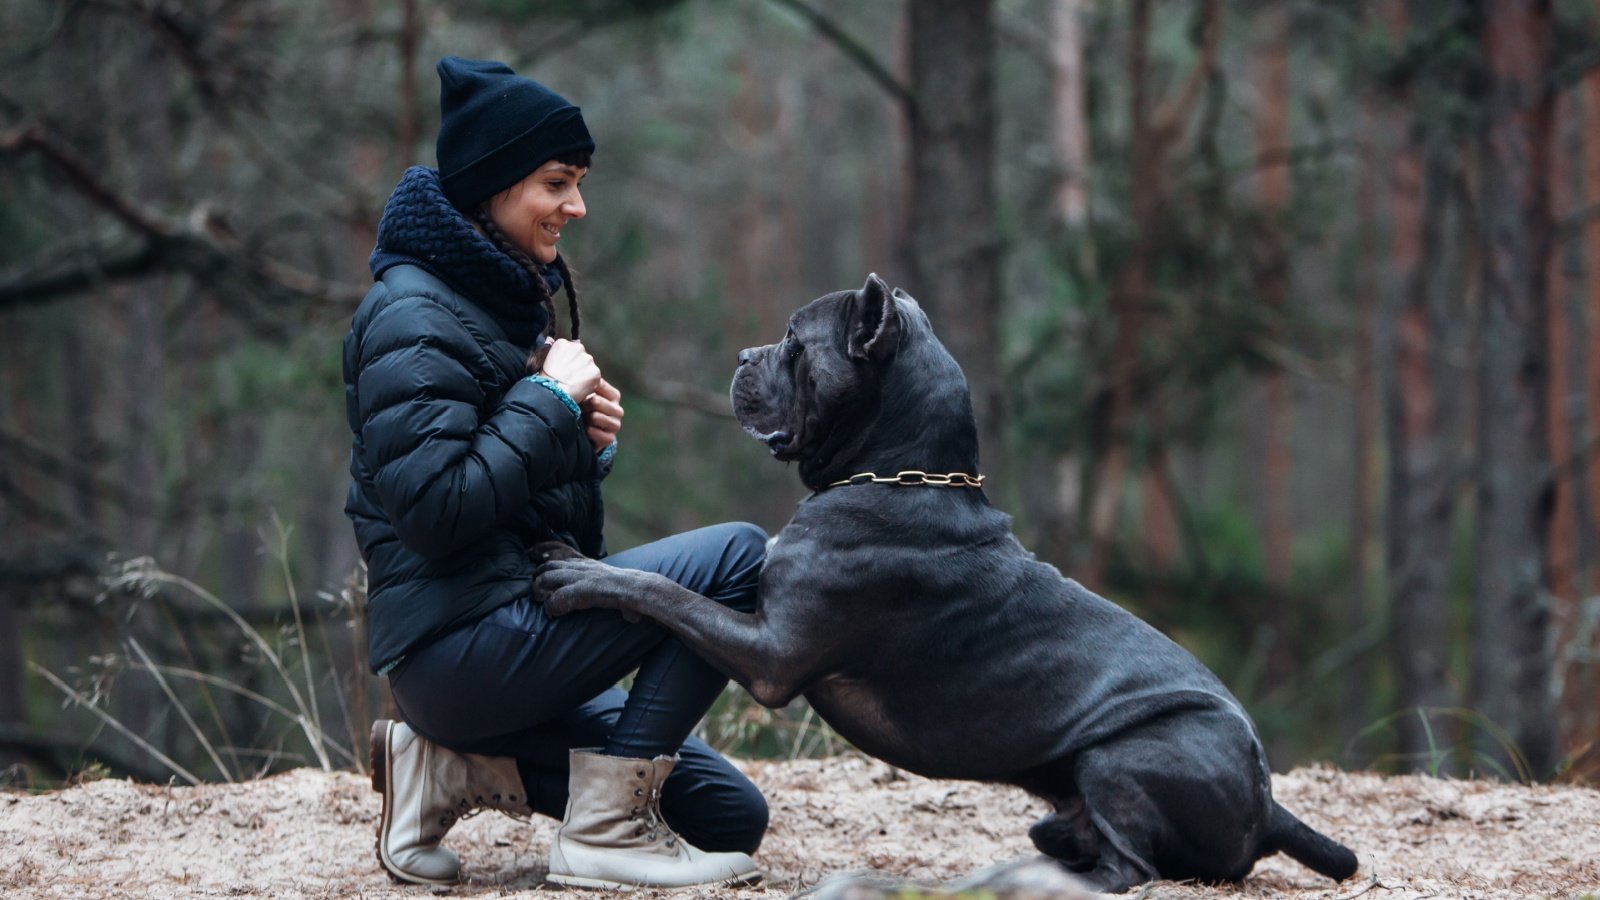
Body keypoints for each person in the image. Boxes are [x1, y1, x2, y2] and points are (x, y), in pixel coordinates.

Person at [342, 56, 768, 889]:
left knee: (726, 813)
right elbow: (435, 512)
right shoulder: (409, 315)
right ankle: (605, 834)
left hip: (497, 640)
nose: (576, 205)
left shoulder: (490, 302)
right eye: (556, 182)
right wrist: (546, 403)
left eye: (575, 183)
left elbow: (510, 497)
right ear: (492, 187)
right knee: (740, 558)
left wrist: (581, 442)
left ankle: (451, 769)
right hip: (458, 647)